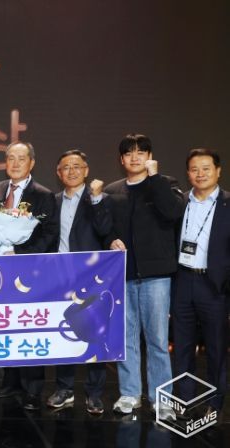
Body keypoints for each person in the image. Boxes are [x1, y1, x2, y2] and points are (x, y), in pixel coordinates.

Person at [104, 133, 184, 421]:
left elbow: (173, 212)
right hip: (123, 274)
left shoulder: (165, 184)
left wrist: (155, 178)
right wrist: (110, 240)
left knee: (157, 340)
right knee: (126, 338)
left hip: (156, 276)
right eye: (129, 153)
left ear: (150, 157)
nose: (135, 157)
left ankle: (161, 398)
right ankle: (129, 393)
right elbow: (104, 226)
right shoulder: (112, 190)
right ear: (121, 159)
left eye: (141, 152)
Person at [0, 141, 59, 411]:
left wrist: (19, 251)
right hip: (2, 268)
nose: (15, 163)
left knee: (29, 324)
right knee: (6, 322)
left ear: (32, 163)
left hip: (29, 268)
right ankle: (11, 381)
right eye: (11, 158)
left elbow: (50, 234)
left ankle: (33, 388)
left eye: (21, 158)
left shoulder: (43, 194)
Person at [46, 149, 112, 414]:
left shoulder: (100, 198)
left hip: (92, 275)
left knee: (95, 333)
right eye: (66, 167)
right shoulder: (53, 201)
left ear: (86, 170)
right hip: (60, 275)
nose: (71, 171)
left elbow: (105, 230)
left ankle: (94, 393)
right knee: (64, 330)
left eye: (76, 166)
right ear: (58, 173)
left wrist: (96, 200)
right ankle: (64, 388)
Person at [172, 148, 229, 419]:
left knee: (216, 347)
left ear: (218, 171)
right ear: (188, 173)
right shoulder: (180, 202)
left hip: (214, 285)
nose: (200, 174)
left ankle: (215, 402)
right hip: (183, 280)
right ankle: (184, 399)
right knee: (182, 345)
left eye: (206, 168)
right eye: (194, 169)